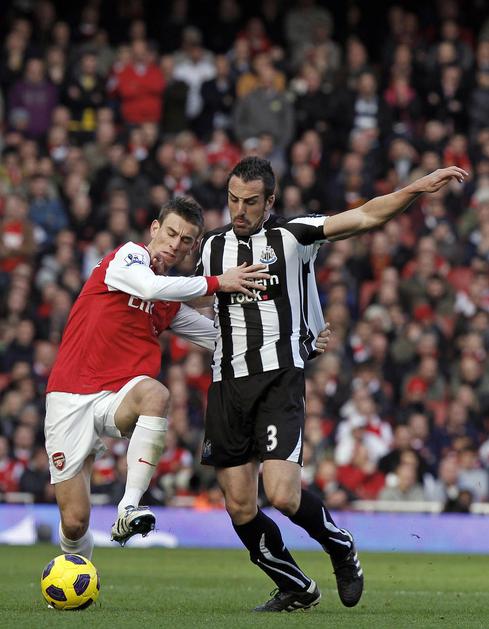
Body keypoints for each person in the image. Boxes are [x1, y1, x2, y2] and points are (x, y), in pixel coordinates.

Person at [195, 156, 468, 612]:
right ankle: (296, 587)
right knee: (239, 505)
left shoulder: (293, 235)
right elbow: (193, 300)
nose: (239, 210)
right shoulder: (211, 246)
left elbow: (364, 216)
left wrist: (416, 188)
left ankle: (340, 546)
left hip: (278, 379)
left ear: (270, 202)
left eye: (250, 202)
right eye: (233, 200)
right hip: (226, 384)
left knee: (282, 494)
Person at [44, 196, 273, 560]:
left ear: (193, 247)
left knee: (156, 394)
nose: (175, 244)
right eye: (170, 233)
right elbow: (150, 288)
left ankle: (129, 507)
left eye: (186, 240)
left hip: (117, 397)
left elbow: (223, 339)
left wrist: (298, 341)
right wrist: (217, 282)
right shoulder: (128, 257)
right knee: (74, 522)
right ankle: (78, 567)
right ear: (155, 229)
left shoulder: (168, 304)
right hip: (69, 397)